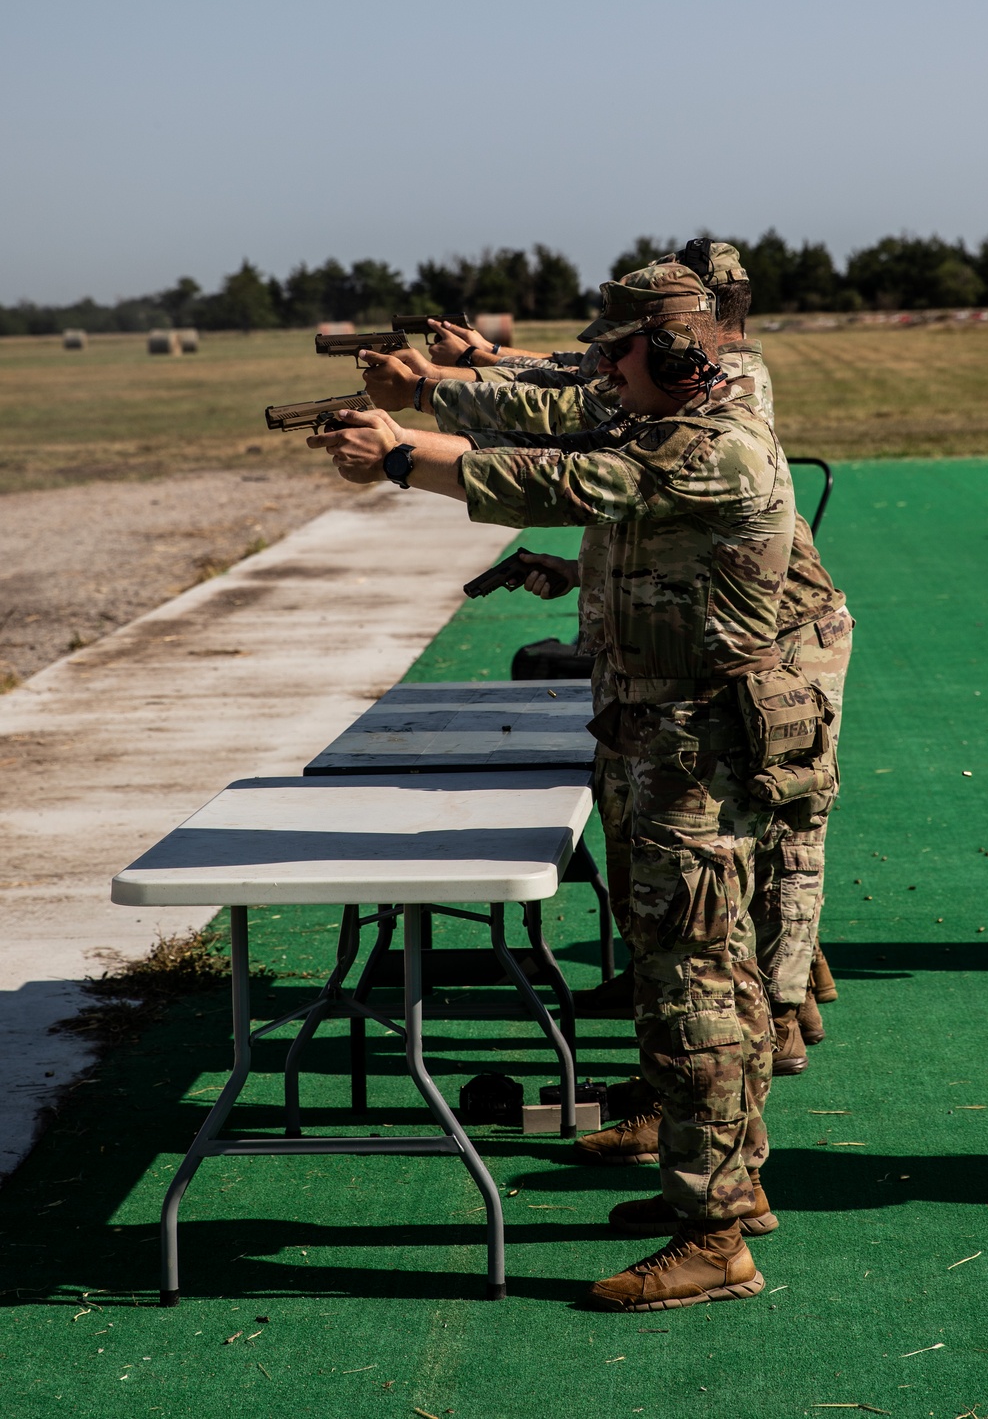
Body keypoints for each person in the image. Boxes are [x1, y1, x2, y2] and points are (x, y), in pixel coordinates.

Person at [306, 262, 795, 1311]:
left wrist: (400, 453)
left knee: (694, 990)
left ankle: (712, 1234)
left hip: (689, 754)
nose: (597, 371)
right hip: (663, 742)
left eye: (614, 353)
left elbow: (552, 480)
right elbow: (561, 449)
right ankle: (728, 1189)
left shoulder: (714, 448)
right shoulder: (670, 427)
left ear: (667, 355)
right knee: (709, 974)